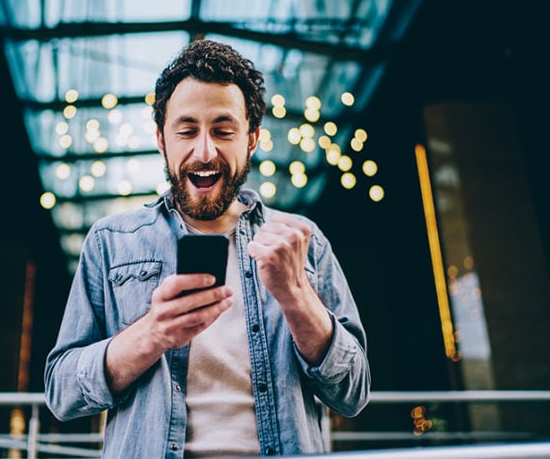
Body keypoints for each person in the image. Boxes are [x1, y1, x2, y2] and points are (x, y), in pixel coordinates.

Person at [44, 39, 370, 458]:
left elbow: (354, 393)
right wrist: (153, 334)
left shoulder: (301, 240)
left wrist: (297, 297)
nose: (204, 151)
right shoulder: (111, 241)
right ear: (162, 139)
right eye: (186, 130)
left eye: (223, 130)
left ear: (251, 139)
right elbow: (62, 393)